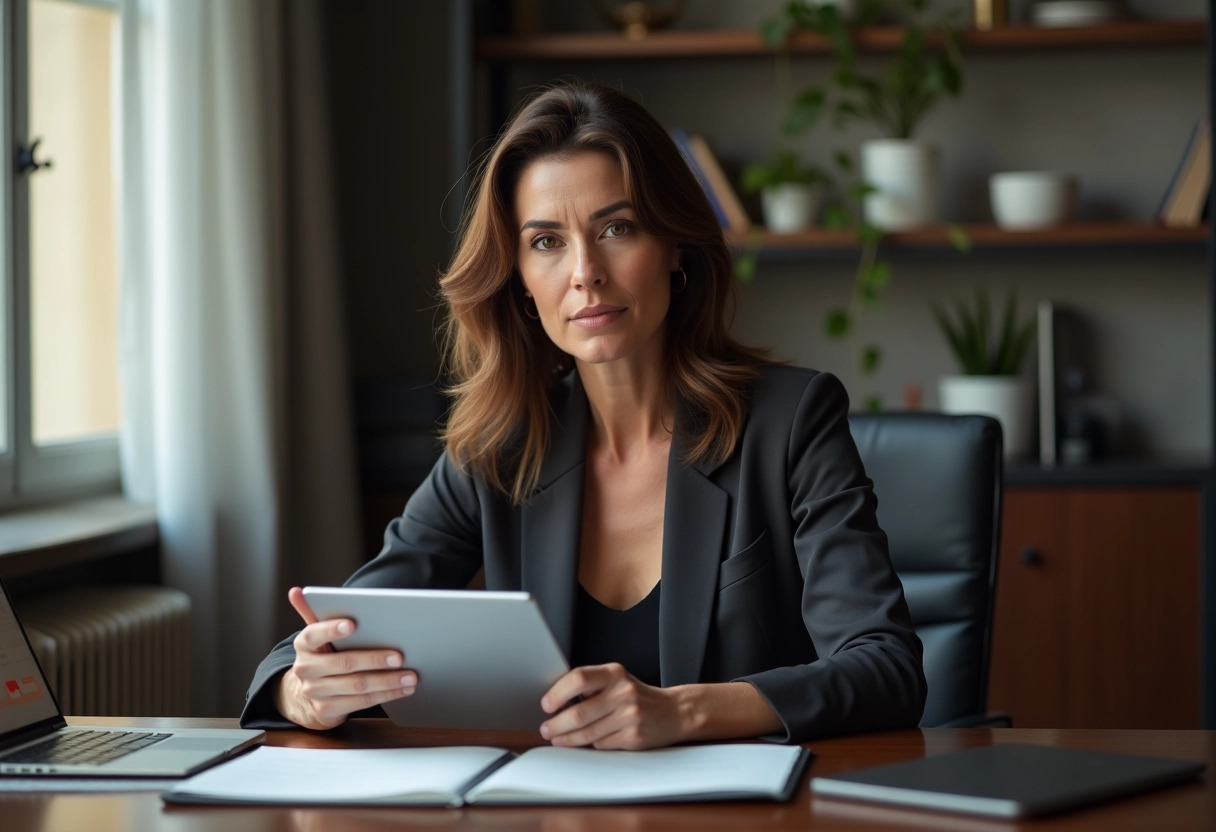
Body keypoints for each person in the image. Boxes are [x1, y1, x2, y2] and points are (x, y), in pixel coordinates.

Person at [241, 81, 926, 748]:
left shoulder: (791, 421)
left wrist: (682, 712)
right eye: (546, 242)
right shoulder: (500, 448)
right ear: (518, 278)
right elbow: (339, 628)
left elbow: (885, 667)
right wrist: (303, 689)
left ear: (676, 248)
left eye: (617, 228)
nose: (585, 272)